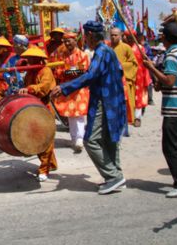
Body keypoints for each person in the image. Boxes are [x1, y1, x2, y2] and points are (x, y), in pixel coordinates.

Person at [50, 21, 127, 195]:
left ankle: (113, 176)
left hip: (105, 99)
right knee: (108, 139)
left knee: (90, 140)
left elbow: (90, 75)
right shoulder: (105, 51)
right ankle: (116, 176)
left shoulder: (101, 52)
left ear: (90, 36)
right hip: (112, 98)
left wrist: (64, 87)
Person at [144, 22, 177, 198]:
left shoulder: (172, 55)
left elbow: (170, 81)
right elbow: (163, 84)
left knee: (170, 146)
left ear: (165, 37)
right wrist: (156, 75)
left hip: (175, 107)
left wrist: (151, 68)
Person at [18, 46, 57, 181]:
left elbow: (44, 88)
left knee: (45, 140)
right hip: (33, 108)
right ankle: (50, 163)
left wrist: (30, 89)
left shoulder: (46, 71)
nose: (28, 61)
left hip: (45, 107)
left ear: (38, 59)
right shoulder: (30, 72)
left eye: (30, 59)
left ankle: (44, 169)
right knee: (37, 138)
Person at [50, 32, 90, 152]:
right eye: (65, 41)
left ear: (75, 41)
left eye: (69, 41)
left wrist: (64, 71)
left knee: (79, 114)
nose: (67, 43)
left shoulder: (83, 54)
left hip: (79, 87)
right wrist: (62, 72)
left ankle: (79, 138)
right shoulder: (62, 55)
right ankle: (74, 138)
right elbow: (57, 70)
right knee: (70, 114)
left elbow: (81, 69)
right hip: (67, 88)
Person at [110, 27, 138, 125]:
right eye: (112, 35)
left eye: (115, 35)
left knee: (125, 102)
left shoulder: (126, 47)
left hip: (124, 79)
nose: (113, 37)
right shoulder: (108, 48)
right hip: (111, 80)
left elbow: (134, 63)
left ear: (121, 36)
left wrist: (121, 66)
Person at [125, 31, 152, 127]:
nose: (128, 39)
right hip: (127, 75)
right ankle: (129, 116)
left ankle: (137, 117)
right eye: (127, 37)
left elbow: (145, 62)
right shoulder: (124, 48)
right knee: (127, 95)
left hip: (138, 74)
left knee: (138, 95)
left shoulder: (140, 48)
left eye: (130, 37)